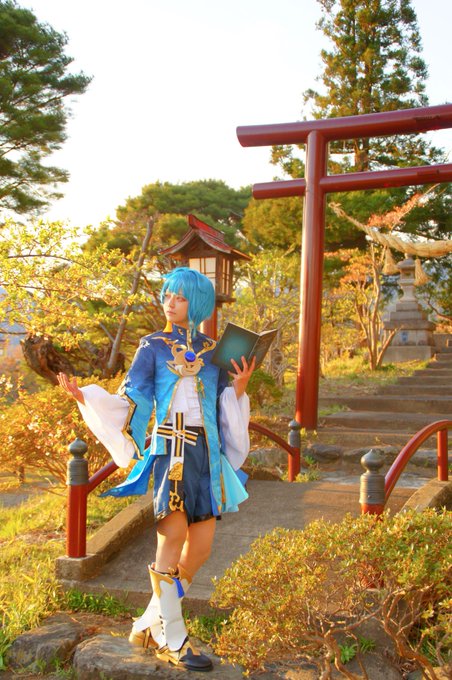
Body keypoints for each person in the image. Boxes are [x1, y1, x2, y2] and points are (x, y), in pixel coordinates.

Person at [58, 267, 254, 672]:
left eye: (180, 297)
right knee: (173, 536)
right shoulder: (152, 345)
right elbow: (132, 395)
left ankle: (149, 621)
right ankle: (172, 638)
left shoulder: (213, 350)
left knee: (201, 547)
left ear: (196, 303)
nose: (170, 303)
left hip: (206, 454)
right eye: (167, 295)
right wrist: (88, 398)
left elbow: (223, 406)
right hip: (171, 449)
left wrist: (239, 386)